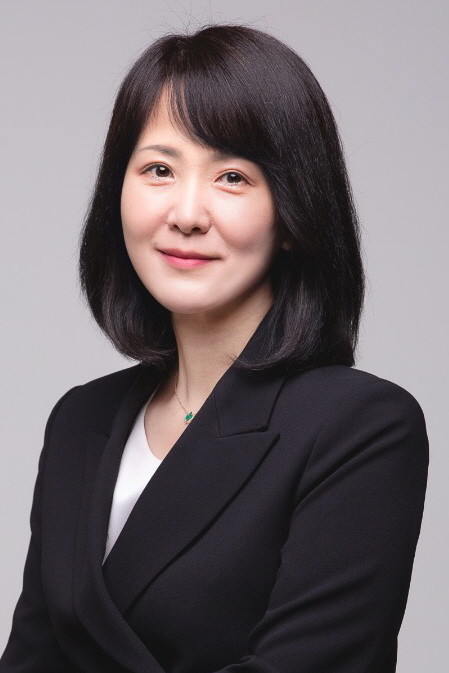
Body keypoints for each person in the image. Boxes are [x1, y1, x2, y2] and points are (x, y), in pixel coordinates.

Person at [0, 23, 428, 673]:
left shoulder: (360, 426)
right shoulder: (80, 421)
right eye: (159, 170)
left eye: (231, 177)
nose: (186, 213)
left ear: (292, 215)